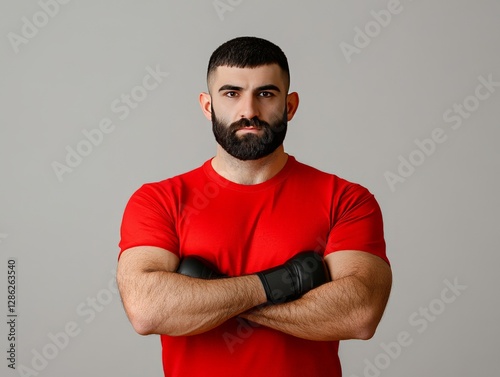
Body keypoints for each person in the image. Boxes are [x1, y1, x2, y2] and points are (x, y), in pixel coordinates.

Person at [117, 36, 392, 377]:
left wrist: (209, 293)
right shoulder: (159, 200)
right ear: (208, 106)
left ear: (290, 105)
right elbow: (147, 310)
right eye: (231, 93)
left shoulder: (346, 199)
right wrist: (286, 282)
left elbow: (359, 314)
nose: (248, 111)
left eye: (266, 93)